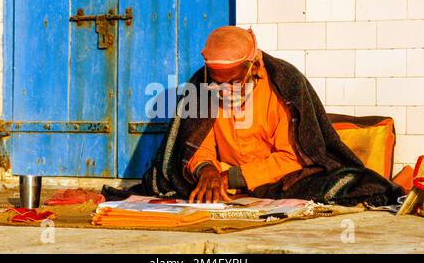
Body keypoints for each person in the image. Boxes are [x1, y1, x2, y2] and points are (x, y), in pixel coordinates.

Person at [142, 26, 403, 207]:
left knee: (353, 186)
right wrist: (206, 170)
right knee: (167, 181)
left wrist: (234, 178)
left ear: (253, 67)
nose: (223, 91)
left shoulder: (285, 84)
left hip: (280, 180)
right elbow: (197, 144)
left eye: (233, 82)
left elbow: (293, 156)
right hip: (224, 179)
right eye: (216, 84)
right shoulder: (201, 85)